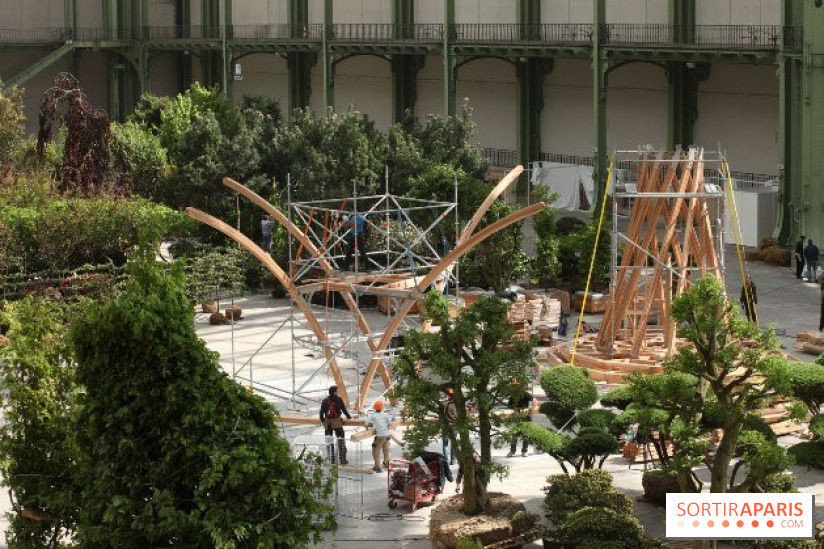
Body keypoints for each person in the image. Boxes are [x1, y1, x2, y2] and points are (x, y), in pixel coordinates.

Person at [319, 386, 352, 465]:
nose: (338, 393)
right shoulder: (339, 399)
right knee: (341, 440)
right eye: (337, 391)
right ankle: (342, 459)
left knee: (329, 441)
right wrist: (349, 417)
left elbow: (321, 414)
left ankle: (332, 460)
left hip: (328, 422)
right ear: (334, 392)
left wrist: (324, 421)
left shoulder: (325, 401)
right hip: (336, 422)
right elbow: (344, 410)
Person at [506, 385, 533, 458]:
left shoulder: (527, 395)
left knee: (526, 435)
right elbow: (509, 405)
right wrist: (515, 410)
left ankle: (524, 451)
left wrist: (529, 409)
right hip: (516, 418)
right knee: (514, 435)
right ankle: (512, 451)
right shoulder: (513, 396)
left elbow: (534, 402)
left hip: (526, 417)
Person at [365, 400, 392, 472]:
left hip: (380, 436)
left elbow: (366, 423)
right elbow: (389, 424)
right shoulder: (385, 414)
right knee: (386, 450)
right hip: (387, 435)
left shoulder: (373, 415)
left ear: (375, 408)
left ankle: (377, 467)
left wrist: (367, 427)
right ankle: (386, 464)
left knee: (376, 451)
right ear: (382, 408)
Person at [440, 388, 457, 465]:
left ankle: (446, 460)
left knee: (445, 443)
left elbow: (440, 415)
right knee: (453, 443)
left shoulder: (443, 403)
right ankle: (453, 460)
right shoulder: (456, 403)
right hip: (453, 425)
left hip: (445, 425)